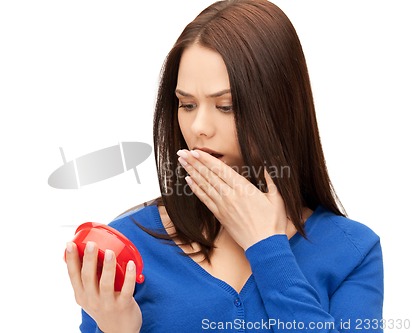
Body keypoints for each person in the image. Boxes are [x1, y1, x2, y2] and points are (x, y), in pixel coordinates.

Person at [65, 0, 384, 332]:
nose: (199, 126)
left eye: (226, 106)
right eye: (187, 104)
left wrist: (268, 249)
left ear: (281, 109)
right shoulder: (128, 250)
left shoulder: (353, 252)